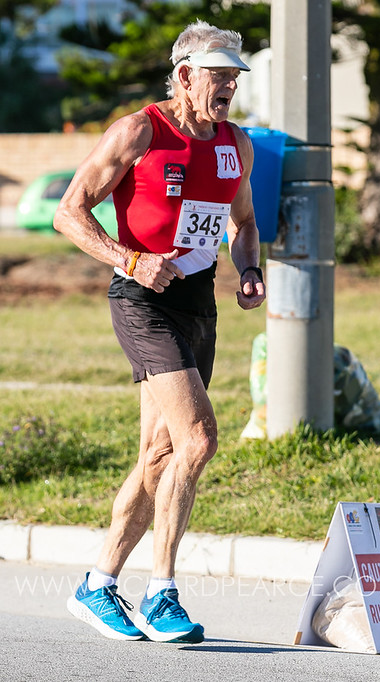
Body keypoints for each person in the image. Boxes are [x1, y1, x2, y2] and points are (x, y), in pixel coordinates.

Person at [54, 19, 266, 644]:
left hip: (199, 306)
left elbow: (244, 222)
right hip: (143, 301)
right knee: (198, 439)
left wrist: (250, 269)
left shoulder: (236, 144)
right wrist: (130, 259)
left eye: (234, 77)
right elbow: (69, 213)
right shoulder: (140, 131)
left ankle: (97, 584)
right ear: (184, 76)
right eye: (218, 75)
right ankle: (162, 592)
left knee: (159, 454)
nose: (229, 87)